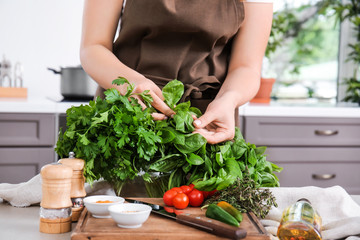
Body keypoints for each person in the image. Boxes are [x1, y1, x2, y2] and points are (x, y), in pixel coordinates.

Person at [80, 0, 273, 144]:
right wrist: (129, 83)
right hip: (129, 109)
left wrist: (229, 99)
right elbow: (93, 47)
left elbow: (246, 66)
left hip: (208, 122)